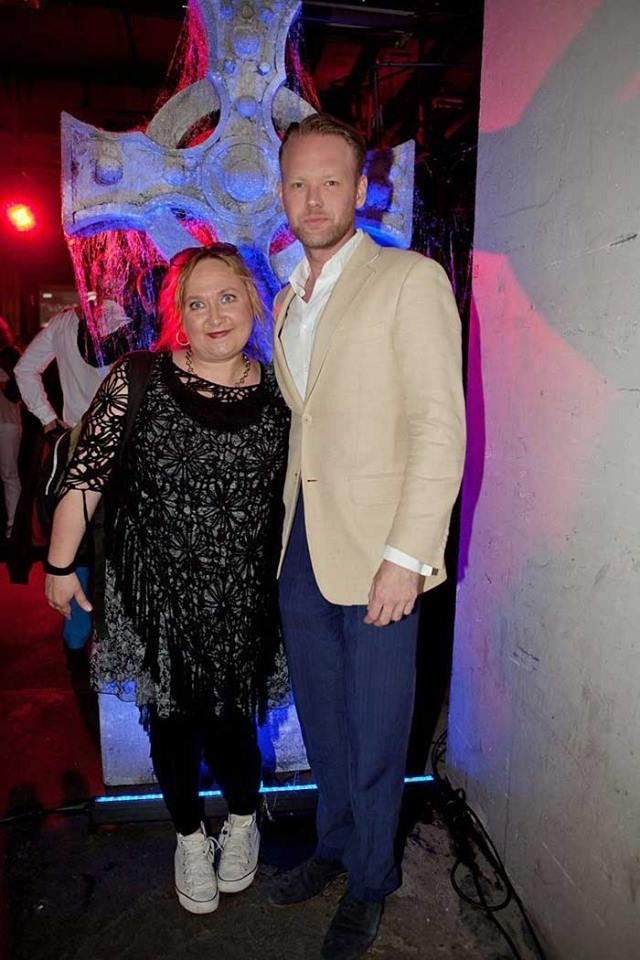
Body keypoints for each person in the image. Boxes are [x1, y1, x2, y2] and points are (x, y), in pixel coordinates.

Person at [270, 113, 466, 960]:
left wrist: (407, 555)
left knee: (380, 730)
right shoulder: (286, 296)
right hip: (304, 547)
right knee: (324, 720)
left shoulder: (410, 279)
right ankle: (335, 844)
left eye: (330, 181)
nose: (314, 199)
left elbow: (439, 426)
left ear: (361, 189)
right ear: (282, 192)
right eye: (298, 183)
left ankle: (373, 879)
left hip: (383, 550)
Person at [44, 244, 290, 915]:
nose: (215, 315)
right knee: (173, 728)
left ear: (253, 300)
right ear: (178, 314)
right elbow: (86, 475)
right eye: (196, 303)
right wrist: (59, 565)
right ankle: (188, 836)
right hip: (154, 598)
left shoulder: (283, 391)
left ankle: (242, 819)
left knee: (235, 726)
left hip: (241, 601)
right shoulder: (139, 377)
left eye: (228, 297)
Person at [13, 296, 133, 645]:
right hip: (124, 445)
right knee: (117, 540)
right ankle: (112, 632)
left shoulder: (64, 321)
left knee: (77, 534)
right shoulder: (128, 317)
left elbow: (24, 370)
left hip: (77, 441)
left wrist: (49, 420)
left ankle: (78, 633)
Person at [0, 316, 22, 542]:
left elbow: (16, 392)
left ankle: (13, 526)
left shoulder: (11, 356)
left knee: (8, 473)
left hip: (6, 422)